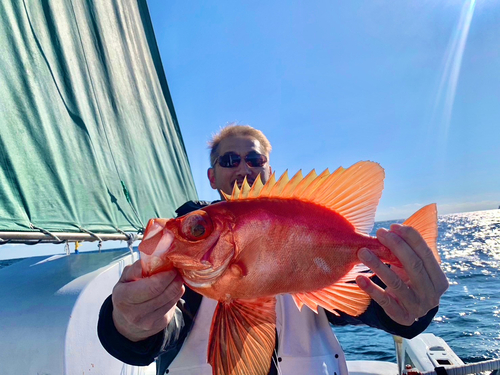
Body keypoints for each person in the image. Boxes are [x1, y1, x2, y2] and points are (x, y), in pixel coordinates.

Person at [98, 124, 449, 375]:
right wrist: (130, 324)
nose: (243, 168)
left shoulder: (286, 226)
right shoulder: (187, 246)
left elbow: (368, 304)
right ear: (211, 176)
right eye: (229, 160)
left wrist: (414, 304)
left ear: (269, 168)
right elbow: (162, 328)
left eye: (254, 159)